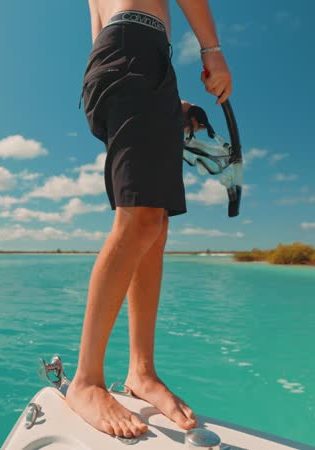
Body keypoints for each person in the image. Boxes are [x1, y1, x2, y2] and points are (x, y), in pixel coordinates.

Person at [66, 0, 232, 440]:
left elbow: (99, 32)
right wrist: (212, 51)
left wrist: (160, 93)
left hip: (135, 57)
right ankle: (86, 381)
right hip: (133, 52)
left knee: (155, 225)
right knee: (139, 219)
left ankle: (141, 372)